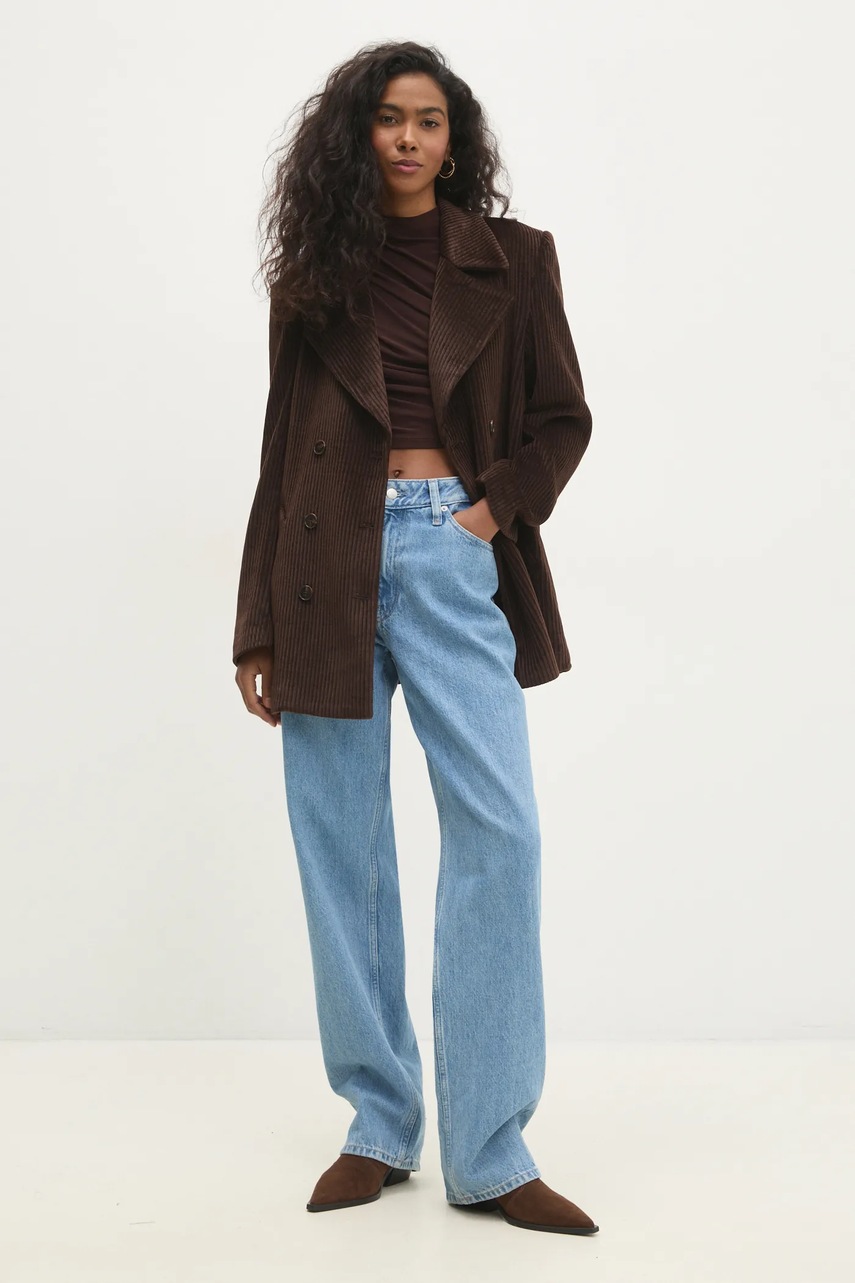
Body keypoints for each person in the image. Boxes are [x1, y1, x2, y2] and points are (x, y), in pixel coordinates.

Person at [232, 40, 599, 1236]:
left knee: (502, 828)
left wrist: (489, 509)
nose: (407, 138)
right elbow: (281, 450)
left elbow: (563, 418)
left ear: (454, 138)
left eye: (429, 120)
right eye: (388, 118)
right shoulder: (314, 275)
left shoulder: (515, 260)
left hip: (451, 547)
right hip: (321, 563)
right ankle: (379, 1122)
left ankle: (490, 1148)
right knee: (341, 847)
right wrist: (254, 623)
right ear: (358, 134)